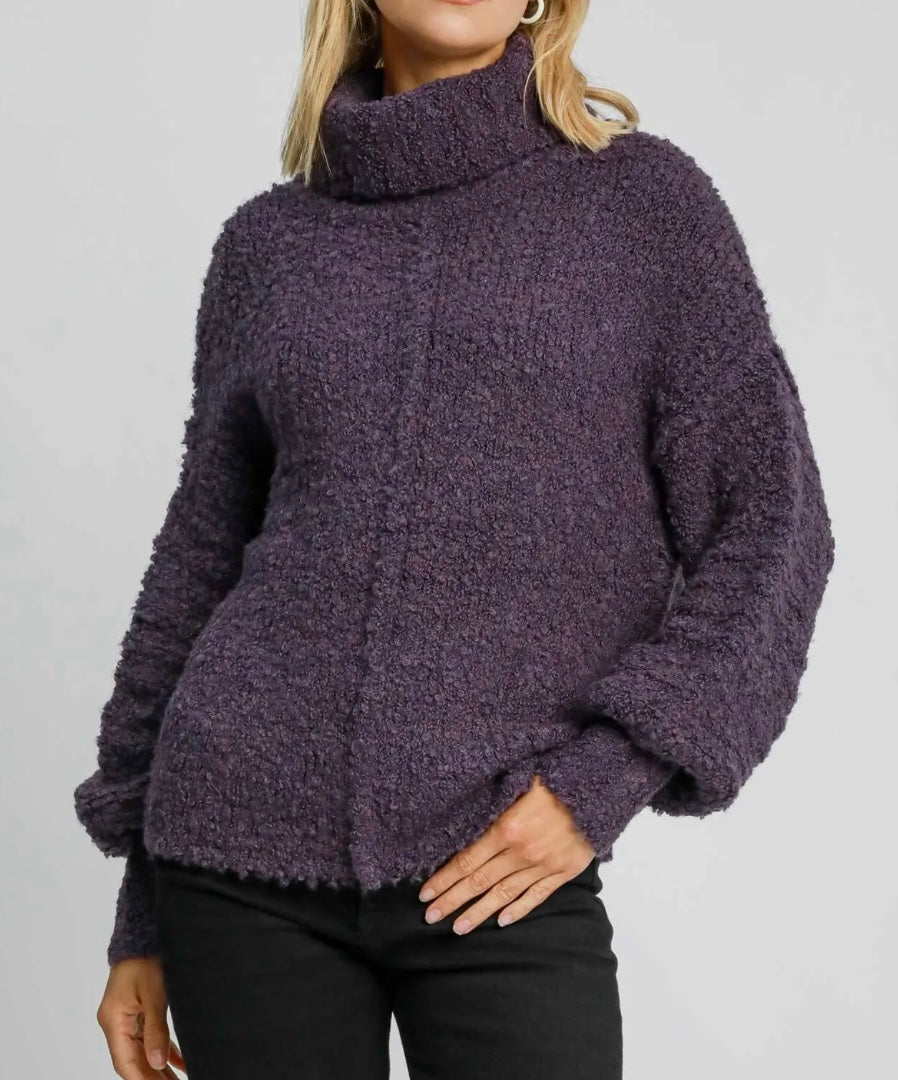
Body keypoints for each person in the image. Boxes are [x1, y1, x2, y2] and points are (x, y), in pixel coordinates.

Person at [73, 2, 836, 1078]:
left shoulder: (642, 206)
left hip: (503, 856)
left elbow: (772, 527)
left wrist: (602, 781)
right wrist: (142, 912)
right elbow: (201, 558)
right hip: (234, 858)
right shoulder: (268, 247)